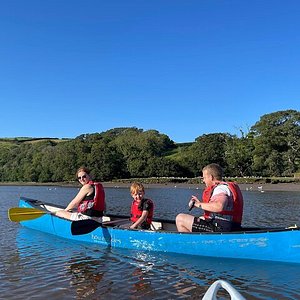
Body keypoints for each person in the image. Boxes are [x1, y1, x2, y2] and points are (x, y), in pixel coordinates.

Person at [176, 163, 243, 233]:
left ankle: (190, 243)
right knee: (201, 218)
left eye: (204, 178)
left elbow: (219, 206)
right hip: (232, 226)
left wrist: (197, 204)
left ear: (211, 177)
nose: (203, 180)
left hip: (221, 228)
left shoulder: (220, 189)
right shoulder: (225, 187)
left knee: (180, 219)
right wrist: (200, 203)